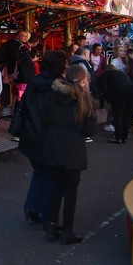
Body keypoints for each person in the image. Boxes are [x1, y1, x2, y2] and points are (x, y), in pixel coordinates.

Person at [40, 64, 97, 244]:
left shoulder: (53, 94)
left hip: (53, 145)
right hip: (73, 149)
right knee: (70, 191)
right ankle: (67, 230)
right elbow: (89, 130)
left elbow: (44, 118)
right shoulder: (84, 100)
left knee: (54, 188)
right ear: (82, 80)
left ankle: (51, 226)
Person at [14, 50, 67, 226]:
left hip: (30, 134)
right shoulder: (58, 86)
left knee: (40, 173)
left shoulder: (34, 82)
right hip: (48, 137)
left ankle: (32, 207)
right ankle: (46, 214)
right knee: (51, 176)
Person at [99, 64, 133, 143]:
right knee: (126, 115)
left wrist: (105, 102)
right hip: (130, 92)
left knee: (117, 115)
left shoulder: (105, 74)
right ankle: (124, 136)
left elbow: (104, 89)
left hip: (118, 94)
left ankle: (118, 137)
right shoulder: (121, 73)